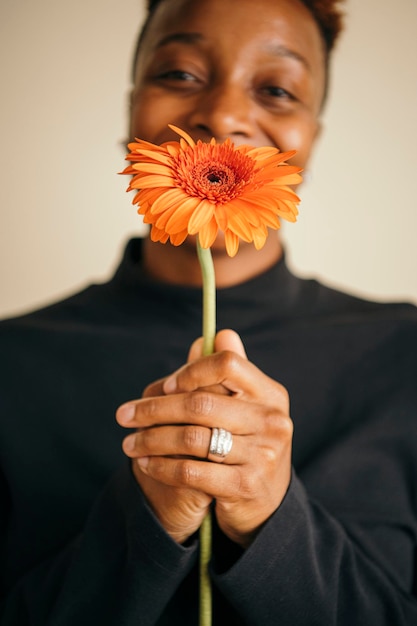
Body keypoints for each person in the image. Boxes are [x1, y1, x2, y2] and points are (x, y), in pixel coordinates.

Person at [1, 0, 416, 624]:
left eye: (275, 89)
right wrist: (145, 521)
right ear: (132, 106)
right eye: (180, 75)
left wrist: (271, 518)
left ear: (312, 139)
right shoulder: (12, 362)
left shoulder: (404, 356)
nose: (222, 116)